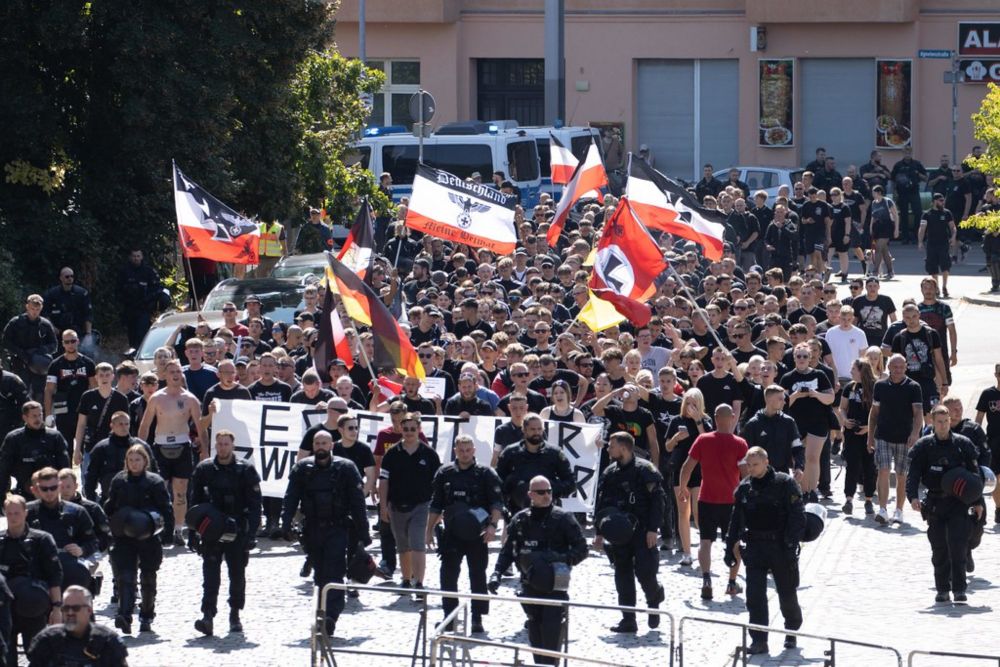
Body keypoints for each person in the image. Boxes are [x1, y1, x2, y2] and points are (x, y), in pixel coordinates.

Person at [488, 475, 588, 666]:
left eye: (549, 491)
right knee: (535, 633)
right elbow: (508, 551)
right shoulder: (520, 520)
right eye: (541, 492)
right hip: (530, 584)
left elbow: (582, 550)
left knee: (551, 637)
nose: (546, 495)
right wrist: (497, 573)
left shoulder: (564, 518)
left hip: (554, 586)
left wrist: (559, 559)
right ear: (530, 494)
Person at [280, 430, 369, 637]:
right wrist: (285, 524)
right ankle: (321, 612)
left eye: (324, 443)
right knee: (320, 574)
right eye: (317, 443)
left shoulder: (346, 468)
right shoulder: (302, 468)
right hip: (311, 528)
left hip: (337, 528)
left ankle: (331, 617)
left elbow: (357, 502)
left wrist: (363, 532)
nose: (321, 447)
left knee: (335, 572)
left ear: (331, 446)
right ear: (313, 446)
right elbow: (291, 496)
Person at [725, 447, 805, 655]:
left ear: (766, 462)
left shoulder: (784, 483)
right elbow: (735, 520)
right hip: (755, 547)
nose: (751, 469)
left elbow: (797, 515)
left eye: (755, 465)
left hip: (779, 546)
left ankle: (791, 630)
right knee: (754, 596)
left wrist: (790, 544)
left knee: (787, 593)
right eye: (748, 465)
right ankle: (759, 640)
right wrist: (729, 546)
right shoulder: (745, 488)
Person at [425, 434, 503, 634]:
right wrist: (428, 531)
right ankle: (449, 617)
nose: (465, 454)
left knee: (477, 575)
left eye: (468, 450)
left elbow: (496, 502)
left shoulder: (486, 473)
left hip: (478, 534)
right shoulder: (445, 473)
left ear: (474, 451)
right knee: (448, 575)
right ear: (455, 451)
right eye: (461, 450)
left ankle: (477, 618)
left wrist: (493, 526)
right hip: (452, 533)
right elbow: (436, 504)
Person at [906, 406, 982, 604]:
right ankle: (942, 589)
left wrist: (978, 501)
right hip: (935, 504)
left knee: (958, 547)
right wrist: (912, 497)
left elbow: (976, 477)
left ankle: (959, 589)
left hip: (958, 503)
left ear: (950, 421)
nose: (943, 425)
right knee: (939, 549)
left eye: (946, 421)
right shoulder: (924, 447)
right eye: (939, 422)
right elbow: (913, 475)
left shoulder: (963, 445)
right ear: (932, 421)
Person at [190, 429, 262, 636]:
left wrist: (251, 535)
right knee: (210, 576)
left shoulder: (245, 470)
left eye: (226, 444)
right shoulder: (204, 469)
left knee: (237, 575)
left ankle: (235, 613)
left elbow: (255, 505)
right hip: (211, 529)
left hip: (237, 529)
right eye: (219, 444)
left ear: (233, 445)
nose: (222, 448)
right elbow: (195, 503)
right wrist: (193, 532)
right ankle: (208, 615)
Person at [593, 431, 665, 633]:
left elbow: (658, 502)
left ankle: (654, 599)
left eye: (611, 446)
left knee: (645, 573)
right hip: (619, 534)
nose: (608, 449)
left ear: (623, 448)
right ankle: (628, 619)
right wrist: (599, 532)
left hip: (642, 532)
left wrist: (653, 529)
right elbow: (602, 504)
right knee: (622, 575)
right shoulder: (609, 473)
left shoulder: (645, 470)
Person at [679, 404, 748, 600]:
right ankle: (732, 583)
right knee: (734, 542)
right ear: (733, 417)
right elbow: (745, 474)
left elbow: (687, 466)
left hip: (706, 498)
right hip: (731, 501)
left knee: (705, 541)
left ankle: (707, 579)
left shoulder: (703, 440)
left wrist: (683, 488)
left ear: (715, 417)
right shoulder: (740, 443)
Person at [103, 444, 171, 634]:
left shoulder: (155, 482)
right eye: (131, 460)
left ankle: (147, 615)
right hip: (124, 535)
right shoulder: (119, 481)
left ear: (145, 461)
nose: (134, 464)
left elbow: (166, 508)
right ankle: (124, 615)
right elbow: (110, 504)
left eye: (137, 460)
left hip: (148, 535)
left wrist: (167, 533)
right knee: (126, 576)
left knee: (148, 577)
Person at [138, 359, 203, 547]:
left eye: (178, 371)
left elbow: (200, 427)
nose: (175, 374)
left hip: (183, 446)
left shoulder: (190, 399)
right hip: (160, 447)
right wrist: (140, 449)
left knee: (181, 492)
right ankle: (159, 528)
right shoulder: (156, 398)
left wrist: (204, 450)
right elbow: (145, 426)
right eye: (171, 371)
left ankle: (178, 529)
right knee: (159, 490)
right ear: (165, 375)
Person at [378, 414, 441, 594]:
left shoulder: (429, 454)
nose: (409, 432)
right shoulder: (391, 454)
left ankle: (419, 582)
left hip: (421, 505)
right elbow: (383, 481)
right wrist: (383, 506)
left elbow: (438, 483)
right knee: (403, 545)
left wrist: (438, 509)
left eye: (413, 429)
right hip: (396, 505)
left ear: (419, 429)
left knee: (417, 543)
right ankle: (406, 579)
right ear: (400, 429)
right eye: (405, 429)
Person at [0, 495, 63, 665]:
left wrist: (57, 608)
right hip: (6, 609)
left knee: (38, 656)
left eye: (17, 513)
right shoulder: (1, 541)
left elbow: (54, 575)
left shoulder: (41, 539)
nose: (13, 517)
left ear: (25, 513)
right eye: (10, 513)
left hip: (33, 606)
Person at [868, 355, 924, 525]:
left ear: (906, 367)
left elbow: (918, 413)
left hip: (905, 437)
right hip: (883, 435)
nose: (898, 370)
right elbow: (874, 412)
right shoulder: (880, 385)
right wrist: (870, 436)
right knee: (883, 470)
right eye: (895, 366)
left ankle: (899, 510)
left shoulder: (914, 387)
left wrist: (915, 433)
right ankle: (883, 509)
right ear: (889, 367)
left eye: (901, 367)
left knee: (902, 475)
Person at [27, 468, 99, 591]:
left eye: (53, 488)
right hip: (37, 566)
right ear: (37, 489)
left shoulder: (77, 512)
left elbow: (93, 541)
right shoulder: (28, 512)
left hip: (69, 565)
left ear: (59, 486)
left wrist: (81, 550)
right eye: (44, 489)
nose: (49, 492)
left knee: (79, 577)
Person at [779, 343, 835, 502]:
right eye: (798, 356)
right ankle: (802, 491)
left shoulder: (820, 375)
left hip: (818, 421)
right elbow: (781, 402)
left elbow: (830, 398)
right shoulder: (788, 377)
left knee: (812, 457)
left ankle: (811, 491)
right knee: (800, 458)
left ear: (810, 358)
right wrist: (796, 395)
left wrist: (814, 393)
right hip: (796, 422)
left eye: (805, 356)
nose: (801, 359)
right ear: (794, 358)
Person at [665, 388, 713, 566]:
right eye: (688, 403)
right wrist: (676, 438)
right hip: (680, 469)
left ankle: (704, 549)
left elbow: (708, 442)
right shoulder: (677, 420)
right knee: (683, 511)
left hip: (701, 470)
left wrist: (698, 421)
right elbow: (668, 447)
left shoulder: (706, 421)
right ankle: (686, 552)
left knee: (699, 511)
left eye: (694, 403)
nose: (690, 407)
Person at [26, 585, 128, 667]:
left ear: (89, 610)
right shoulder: (47, 640)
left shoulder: (107, 641)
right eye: (66, 608)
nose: (70, 612)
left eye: (76, 608)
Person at [495, 414, 576, 517]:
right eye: (532, 429)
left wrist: (549, 490)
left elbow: (571, 482)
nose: (536, 432)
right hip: (518, 509)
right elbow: (497, 481)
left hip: (550, 509)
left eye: (539, 429)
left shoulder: (554, 453)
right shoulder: (510, 453)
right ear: (524, 430)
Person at [73, 363, 130, 485]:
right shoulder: (87, 397)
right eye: (101, 375)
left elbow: (126, 424)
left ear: (113, 377)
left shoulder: (121, 399)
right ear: (96, 377)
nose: (104, 378)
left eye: (107, 375)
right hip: (91, 445)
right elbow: (81, 423)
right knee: (87, 483)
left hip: (114, 446)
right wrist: (77, 449)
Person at [0, 401, 70, 498]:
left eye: (40, 415)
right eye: (34, 416)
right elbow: (4, 470)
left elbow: (65, 466)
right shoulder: (14, 439)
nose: (38, 419)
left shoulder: (54, 437)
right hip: (24, 491)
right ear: (25, 417)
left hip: (52, 491)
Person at [85, 412, 156, 504]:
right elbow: (91, 476)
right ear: (112, 425)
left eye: (127, 424)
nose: (124, 427)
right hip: (110, 499)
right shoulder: (101, 448)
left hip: (140, 499)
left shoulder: (141, 446)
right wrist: (92, 501)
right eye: (120, 424)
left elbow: (154, 472)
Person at [43, 329, 96, 448]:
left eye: (73, 341)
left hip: (83, 411)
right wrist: (48, 414)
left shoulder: (88, 363)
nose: (70, 344)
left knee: (85, 446)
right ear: (62, 344)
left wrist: (95, 410)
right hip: (63, 411)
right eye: (67, 342)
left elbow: (94, 388)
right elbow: (49, 390)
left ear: (77, 341)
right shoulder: (55, 365)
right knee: (65, 448)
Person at [838, 359, 878, 516]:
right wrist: (845, 420)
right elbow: (842, 407)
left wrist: (869, 428)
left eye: (853, 369)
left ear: (862, 370)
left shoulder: (876, 387)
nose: (851, 371)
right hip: (852, 433)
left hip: (870, 434)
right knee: (852, 466)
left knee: (869, 467)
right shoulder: (849, 387)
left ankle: (868, 499)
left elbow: (882, 412)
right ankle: (848, 499)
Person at [2, 294, 58, 400]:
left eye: (37, 309)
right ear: (27, 306)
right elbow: (6, 342)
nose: (34, 311)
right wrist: (21, 353)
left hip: (39, 365)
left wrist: (43, 350)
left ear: (41, 308)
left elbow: (54, 345)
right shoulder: (15, 322)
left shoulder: (45, 324)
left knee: (40, 393)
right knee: (21, 391)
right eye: (32, 308)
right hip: (20, 362)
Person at [741, 385, 804, 476]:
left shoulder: (788, 422)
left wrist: (799, 467)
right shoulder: (753, 424)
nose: (784, 402)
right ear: (769, 400)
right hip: (759, 477)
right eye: (781, 399)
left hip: (783, 474)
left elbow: (797, 448)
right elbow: (746, 453)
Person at [115, 249, 162, 349]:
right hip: (129, 308)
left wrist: (147, 299)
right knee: (131, 334)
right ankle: (133, 352)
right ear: (130, 257)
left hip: (144, 308)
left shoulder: (148, 271)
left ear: (142, 257)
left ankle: (142, 351)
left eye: (138, 256)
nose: (136, 258)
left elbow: (157, 288)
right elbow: (118, 289)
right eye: (134, 256)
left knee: (142, 332)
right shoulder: (124, 271)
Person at [974, 363, 1000, 524]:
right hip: (994, 441)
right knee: (996, 477)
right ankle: (999, 509)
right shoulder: (988, 394)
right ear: (996, 375)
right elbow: (978, 419)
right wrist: (978, 439)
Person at [918, 194, 957, 298]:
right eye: (940, 200)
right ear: (934, 201)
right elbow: (922, 228)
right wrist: (920, 241)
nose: (942, 202)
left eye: (943, 200)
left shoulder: (947, 213)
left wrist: (953, 237)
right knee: (933, 267)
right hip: (931, 244)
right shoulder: (926, 214)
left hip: (944, 243)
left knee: (945, 265)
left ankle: (944, 287)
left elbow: (953, 227)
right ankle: (937, 288)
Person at [42, 268, 94, 340]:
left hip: (77, 331)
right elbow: (45, 314)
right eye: (67, 277)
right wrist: (52, 328)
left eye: (72, 276)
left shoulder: (81, 294)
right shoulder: (52, 294)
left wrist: (88, 334)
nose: (70, 279)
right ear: (61, 278)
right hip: (58, 332)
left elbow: (88, 314)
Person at [890, 147, 927, 244]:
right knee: (904, 215)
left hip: (914, 192)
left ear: (912, 153)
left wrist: (918, 174)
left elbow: (925, 178)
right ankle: (905, 237)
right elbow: (893, 179)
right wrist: (894, 192)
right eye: (906, 152)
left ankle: (916, 236)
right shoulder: (898, 165)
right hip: (902, 193)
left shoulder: (917, 164)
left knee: (918, 213)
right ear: (903, 153)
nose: (908, 154)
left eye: (909, 152)